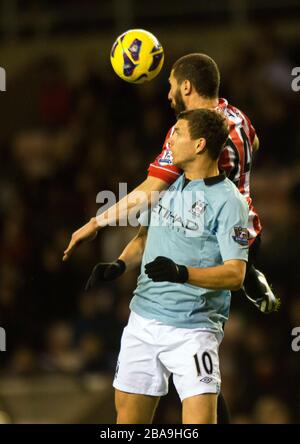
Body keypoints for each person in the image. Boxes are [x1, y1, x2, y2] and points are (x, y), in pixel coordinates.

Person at [63, 53, 279, 315]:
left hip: (207, 237)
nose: (168, 94)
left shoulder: (190, 133)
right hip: (248, 230)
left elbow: (150, 189)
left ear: (186, 86)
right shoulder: (237, 116)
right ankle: (250, 275)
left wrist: (96, 222)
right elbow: (254, 144)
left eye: (170, 84)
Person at [85, 109, 249, 424]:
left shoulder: (229, 202)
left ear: (199, 144)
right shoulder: (167, 184)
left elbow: (235, 274)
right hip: (142, 321)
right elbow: (145, 238)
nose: (169, 138)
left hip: (193, 328)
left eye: (177, 132)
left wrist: (182, 274)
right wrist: (119, 265)